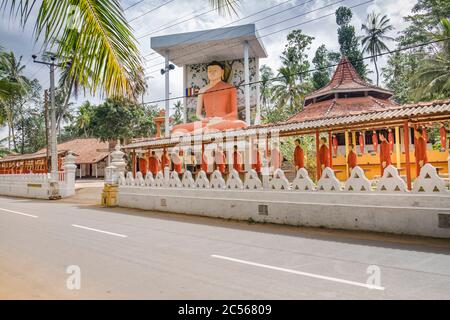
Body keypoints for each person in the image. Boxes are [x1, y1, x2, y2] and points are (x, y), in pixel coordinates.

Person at [171, 61, 247, 135]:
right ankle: (204, 130)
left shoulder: (230, 88)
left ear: (222, 72)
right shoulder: (202, 90)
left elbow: (234, 113)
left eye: (215, 70)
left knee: (241, 124)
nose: (212, 73)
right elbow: (198, 114)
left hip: (223, 121)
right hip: (206, 122)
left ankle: (195, 133)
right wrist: (204, 119)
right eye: (209, 71)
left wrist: (220, 119)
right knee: (176, 127)